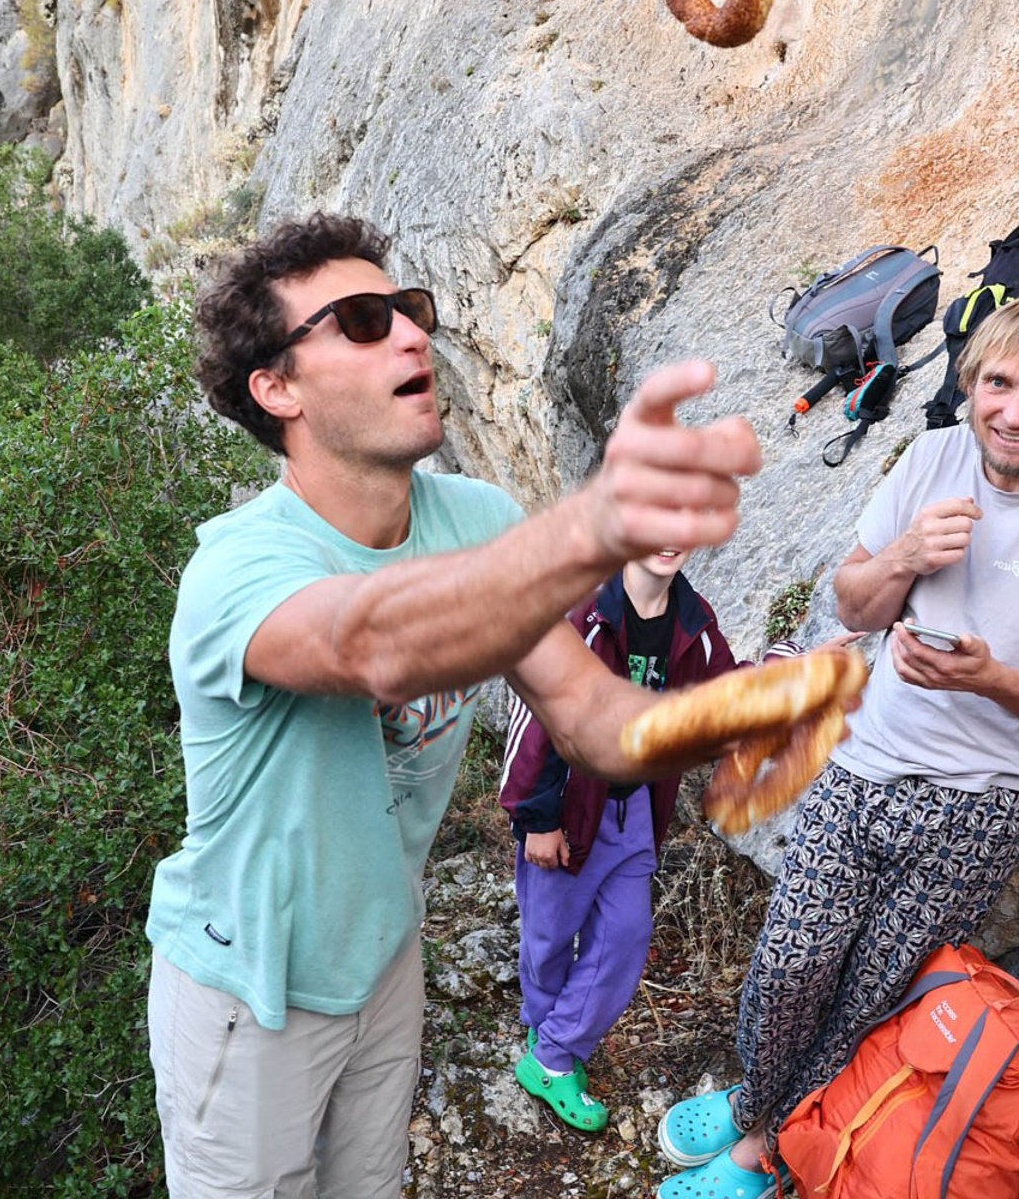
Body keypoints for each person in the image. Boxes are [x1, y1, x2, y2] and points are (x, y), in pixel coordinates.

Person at [143, 211, 769, 1199]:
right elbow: (371, 644)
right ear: (277, 388)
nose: (409, 333)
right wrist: (592, 527)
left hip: (385, 955)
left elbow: (588, 715)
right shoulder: (238, 568)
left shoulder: (475, 521)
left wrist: (737, 715)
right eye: (361, 321)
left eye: (409, 309)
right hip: (245, 990)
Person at [654, 293, 1019, 1199]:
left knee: (875, 991)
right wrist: (903, 557)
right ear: (970, 383)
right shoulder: (933, 458)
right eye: (998, 383)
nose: (1014, 411)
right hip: (865, 761)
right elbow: (853, 600)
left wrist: (989, 678)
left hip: (980, 804)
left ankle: (767, 1149)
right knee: (791, 962)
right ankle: (758, 1102)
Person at [501, 548, 825, 1130]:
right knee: (548, 936)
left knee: (625, 934)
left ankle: (553, 1055)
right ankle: (542, 1023)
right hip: (569, 809)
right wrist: (536, 818)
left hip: (635, 811)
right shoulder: (580, 611)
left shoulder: (691, 621)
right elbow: (535, 714)